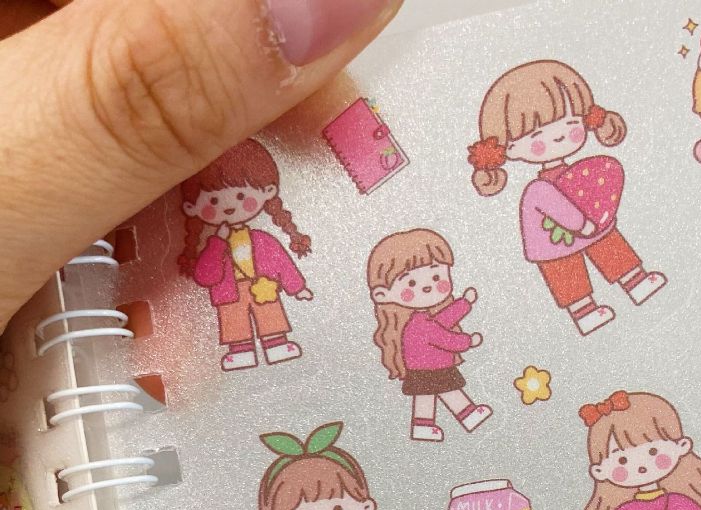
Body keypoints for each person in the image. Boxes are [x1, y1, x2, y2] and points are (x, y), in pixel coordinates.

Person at [0, 0, 404, 331]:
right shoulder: (214, 242)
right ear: (194, 207)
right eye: (215, 201)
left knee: (269, 322)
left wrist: (295, 286)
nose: (230, 206)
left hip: (265, 295)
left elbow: (279, 262)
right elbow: (208, 274)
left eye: (243, 196)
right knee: (230, 327)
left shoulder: (260, 241)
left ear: (267, 193)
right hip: (229, 303)